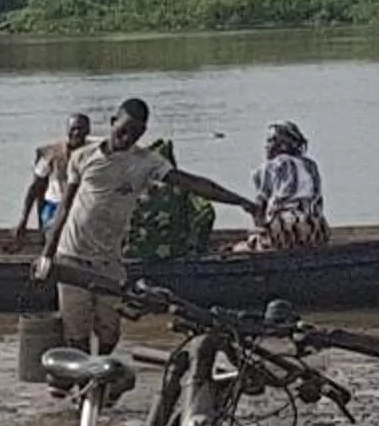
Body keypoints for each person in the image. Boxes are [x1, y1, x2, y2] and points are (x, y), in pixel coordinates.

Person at [37, 99, 255, 356]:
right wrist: (47, 255)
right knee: (77, 335)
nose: (127, 138)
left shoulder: (146, 162)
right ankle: (86, 391)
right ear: (112, 123)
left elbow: (192, 183)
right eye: (123, 130)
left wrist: (241, 201)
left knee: (110, 334)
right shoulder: (83, 156)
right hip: (71, 257)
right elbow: (65, 207)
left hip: (108, 261)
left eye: (136, 133)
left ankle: (99, 384)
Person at [244, 120, 329, 251]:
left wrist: (256, 231)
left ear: (284, 145)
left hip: (286, 227)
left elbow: (260, 209)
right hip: (318, 229)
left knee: (240, 248)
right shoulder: (311, 165)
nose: (265, 145)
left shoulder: (269, 168)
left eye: (270, 140)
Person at [15, 112, 93, 245]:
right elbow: (34, 188)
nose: (76, 133)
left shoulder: (93, 154)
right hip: (54, 207)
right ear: (67, 130)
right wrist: (23, 221)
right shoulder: (52, 155)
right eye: (73, 129)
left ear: (88, 131)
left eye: (80, 129)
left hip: (82, 207)